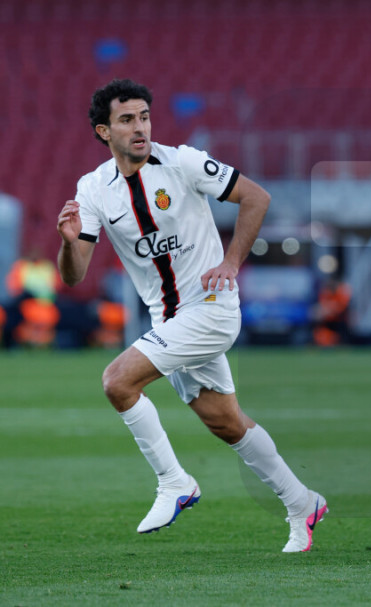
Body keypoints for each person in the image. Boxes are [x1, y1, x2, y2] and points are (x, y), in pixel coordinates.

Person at [56, 79, 326, 552]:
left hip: (211, 310)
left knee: (118, 381)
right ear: (104, 131)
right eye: (127, 120)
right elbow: (74, 275)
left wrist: (231, 263)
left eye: (144, 117)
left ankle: (174, 482)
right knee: (225, 422)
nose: (140, 128)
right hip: (169, 321)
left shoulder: (183, 162)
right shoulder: (93, 189)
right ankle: (302, 502)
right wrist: (68, 242)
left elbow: (256, 197)